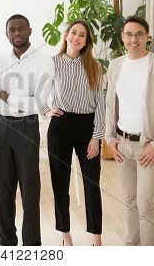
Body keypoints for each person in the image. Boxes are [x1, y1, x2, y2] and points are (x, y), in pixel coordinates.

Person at [106, 16, 154, 246]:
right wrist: (110, 139)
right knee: (129, 201)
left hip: (146, 146)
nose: (134, 39)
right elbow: (111, 104)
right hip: (122, 143)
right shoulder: (116, 65)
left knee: (145, 203)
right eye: (128, 34)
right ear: (122, 37)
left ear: (148, 37)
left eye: (139, 34)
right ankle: (132, 249)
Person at [0, 14, 52, 246]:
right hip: (2, 126)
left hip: (28, 126)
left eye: (21, 29)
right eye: (11, 30)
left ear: (30, 31)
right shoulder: (0, 60)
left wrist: (8, 96)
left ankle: (32, 245)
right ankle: (6, 243)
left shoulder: (44, 61)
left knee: (30, 190)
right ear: (6, 34)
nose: (16, 33)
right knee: (3, 191)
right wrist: (17, 98)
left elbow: (40, 104)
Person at [45, 20, 104, 246]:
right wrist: (46, 110)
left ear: (87, 41)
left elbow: (100, 103)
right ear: (67, 35)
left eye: (82, 34)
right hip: (60, 125)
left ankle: (96, 238)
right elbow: (37, 92)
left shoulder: (94, 66)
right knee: (60, 182)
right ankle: (65, 235)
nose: (77, 37)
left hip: (88, 127)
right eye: (73, 33)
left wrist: (96, 136)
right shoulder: (53, 63)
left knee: (92, 182)